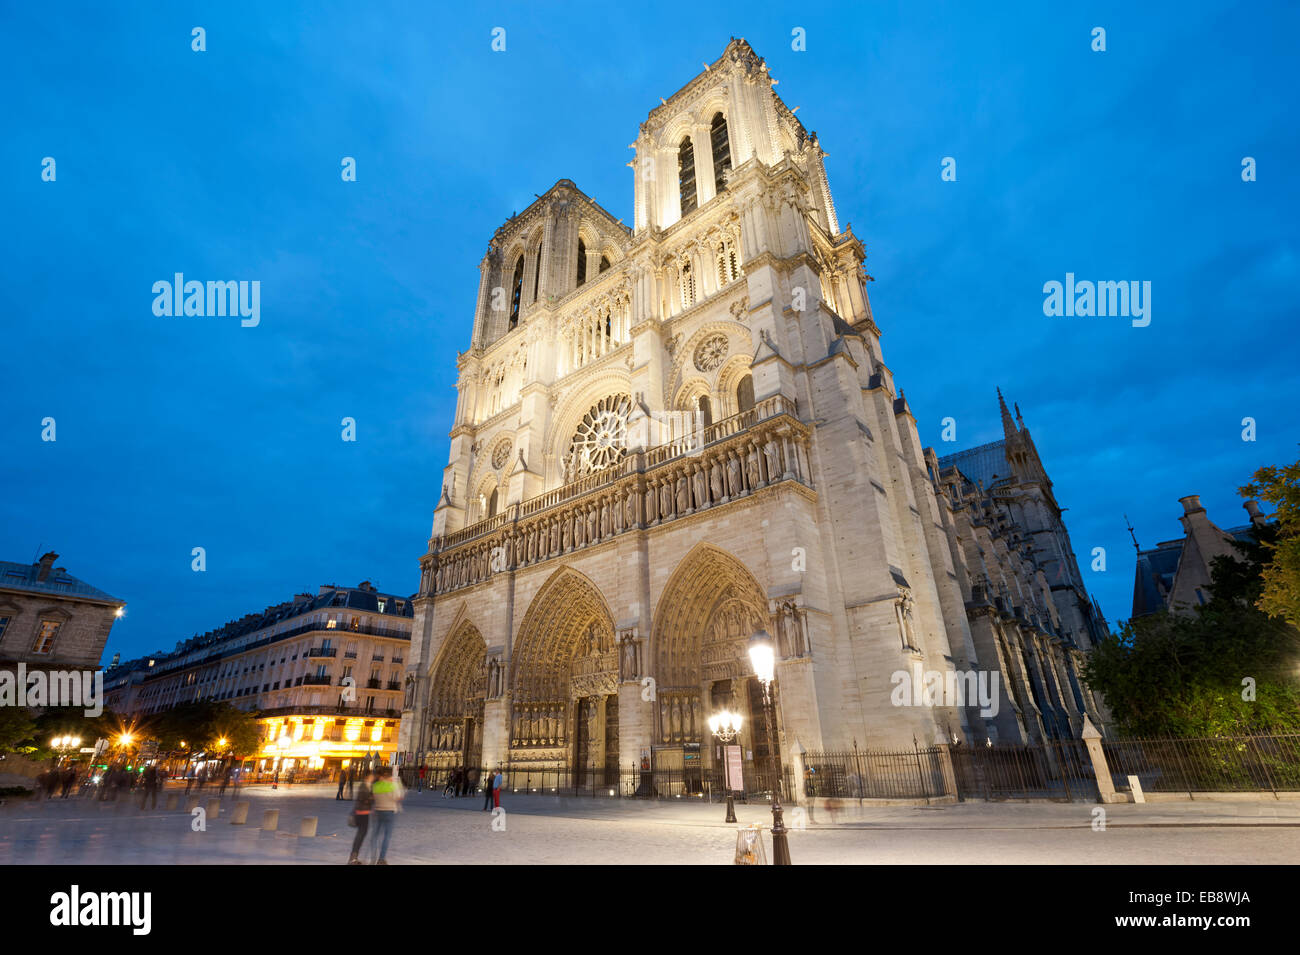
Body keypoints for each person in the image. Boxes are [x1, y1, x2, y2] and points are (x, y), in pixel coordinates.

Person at [369, 766, 404, 865]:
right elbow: (398, 797)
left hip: (377, 811)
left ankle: (373, 858)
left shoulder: (375, 785)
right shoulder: (392, 785)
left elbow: (373, 798)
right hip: (389, 812)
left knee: (374, 836)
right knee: (387, 836)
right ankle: (381, 859)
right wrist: (397, 784)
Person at [346, 770, 376, 865]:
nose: (373, 778)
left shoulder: (368, 785)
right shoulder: (364, 785)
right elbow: (363, 799)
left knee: (361, 835)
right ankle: (353, 858)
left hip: (365, 812)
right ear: (368, 776)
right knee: (360, 835)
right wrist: (371, 798)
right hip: (361, 813)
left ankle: (354, 857)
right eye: (372, 776)